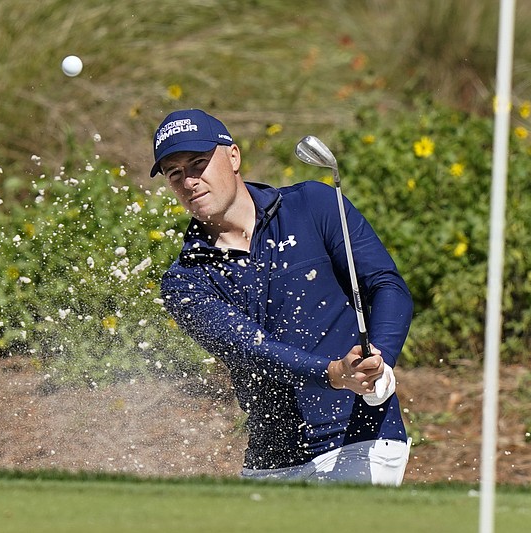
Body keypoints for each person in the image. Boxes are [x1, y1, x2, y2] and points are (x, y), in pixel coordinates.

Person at [150, 109, 413, 485]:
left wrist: (380, 359)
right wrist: (334, 373)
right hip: (271, 459)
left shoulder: (313, 205)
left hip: (360, 438)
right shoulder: (185, 281)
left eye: (198, 163)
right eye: (175, 173)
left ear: (234, 156)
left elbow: (387, 285)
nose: (190, 180)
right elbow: (251, 349)